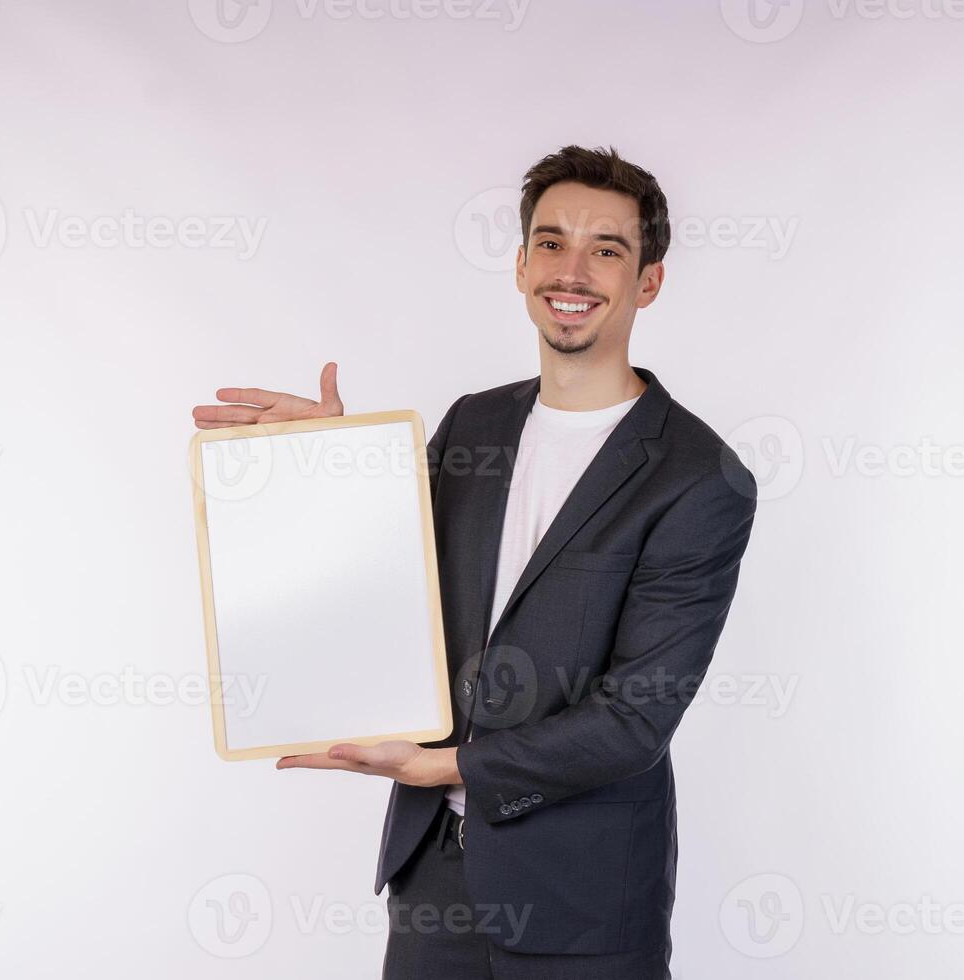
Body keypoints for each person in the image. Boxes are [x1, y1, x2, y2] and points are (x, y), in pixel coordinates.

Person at [192, 144, 757, 979]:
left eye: (608, 249)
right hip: (434, 880)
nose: (575, 270)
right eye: (553, 242)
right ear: (523, 263)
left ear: (649, 281)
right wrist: (322, 461)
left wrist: (442, 765)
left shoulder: (697, 478)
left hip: (585, 897)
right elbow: (383, 580)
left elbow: (634, 720)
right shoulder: (474, 426)